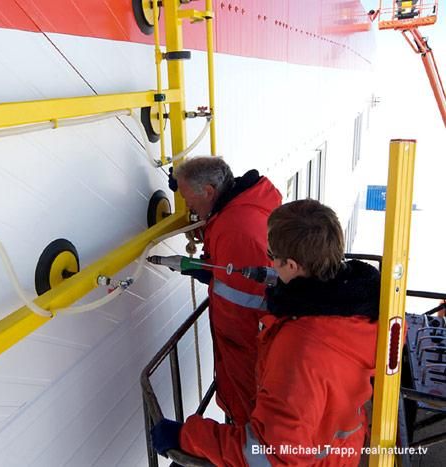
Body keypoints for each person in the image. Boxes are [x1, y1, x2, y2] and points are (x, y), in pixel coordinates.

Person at [152, 199, 381, 466]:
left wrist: (185, 438)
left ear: (293, 266)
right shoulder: (356, 308)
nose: (267, 264)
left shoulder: (301, 348)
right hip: (338, 452)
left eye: (271, 256)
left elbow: (269, 455)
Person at [173, 156, 281, 425]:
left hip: (247, 347)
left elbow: (248, 296)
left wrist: (210, 272)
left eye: (189, 199)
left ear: (209, 191)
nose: (189, 207)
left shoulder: (237, 228)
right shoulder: (236, 209)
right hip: (243, 344)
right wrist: (212, 267)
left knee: (250, 418)